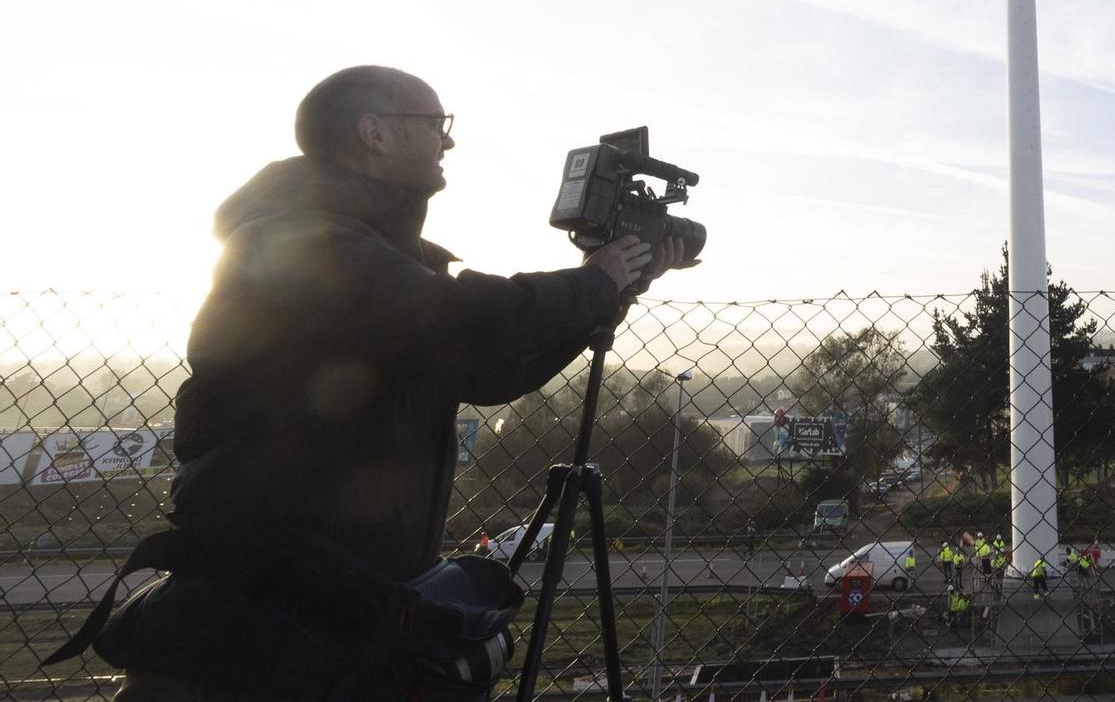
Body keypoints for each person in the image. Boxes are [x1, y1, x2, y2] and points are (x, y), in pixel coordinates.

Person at [90, 66, 678, 702]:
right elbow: (460, 322)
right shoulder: (296, 239)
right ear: (373, 131)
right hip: (255, 615)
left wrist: (616, 289)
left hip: (333, 609)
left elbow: (487, 370)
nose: (447, 142)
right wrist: (592, 282)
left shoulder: (381, 252)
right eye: (435, 125)